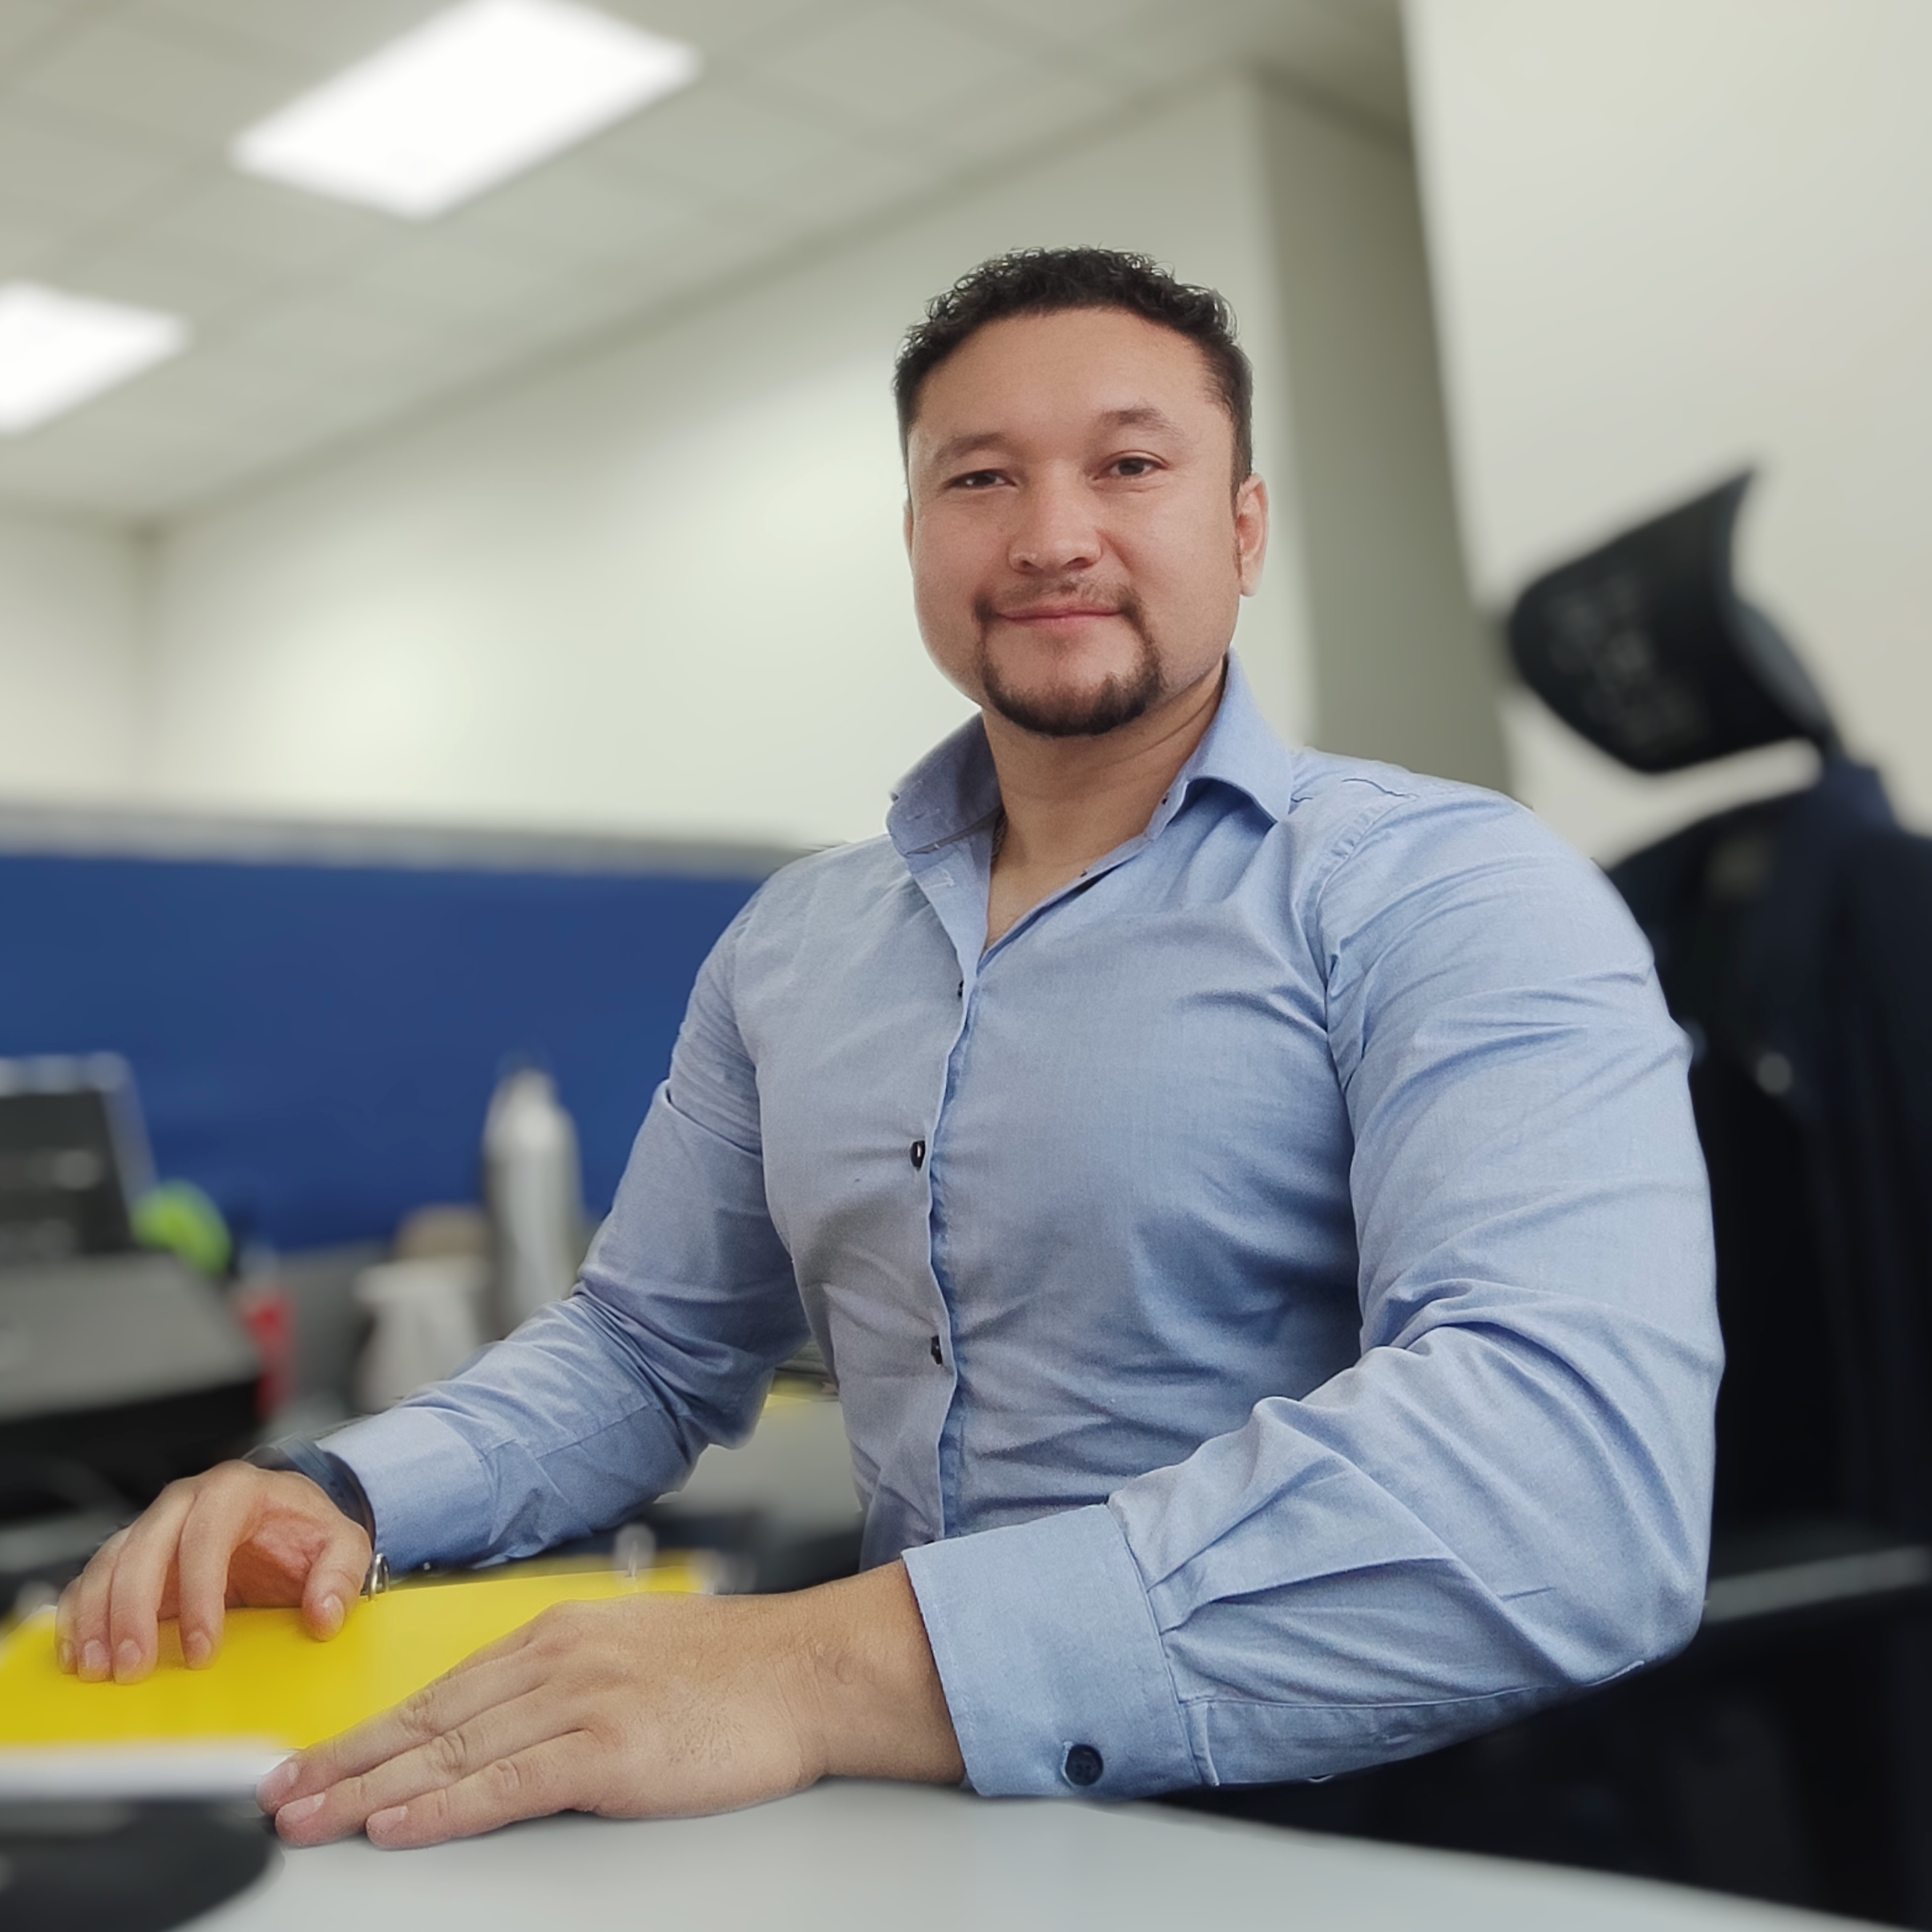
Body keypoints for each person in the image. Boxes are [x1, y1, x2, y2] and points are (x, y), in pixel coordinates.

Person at [57, 248, 1721, 1849]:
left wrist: (812, 1666)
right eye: (979, 478)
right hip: (919, 1827)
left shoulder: (1444, 890)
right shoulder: (796, 942)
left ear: (1242, 525)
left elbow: (1566, 1484)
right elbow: (646, 1345)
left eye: (1129, 464)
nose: (1051, 535)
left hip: (1333, 1813)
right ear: (917, 535)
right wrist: (341, 1490)